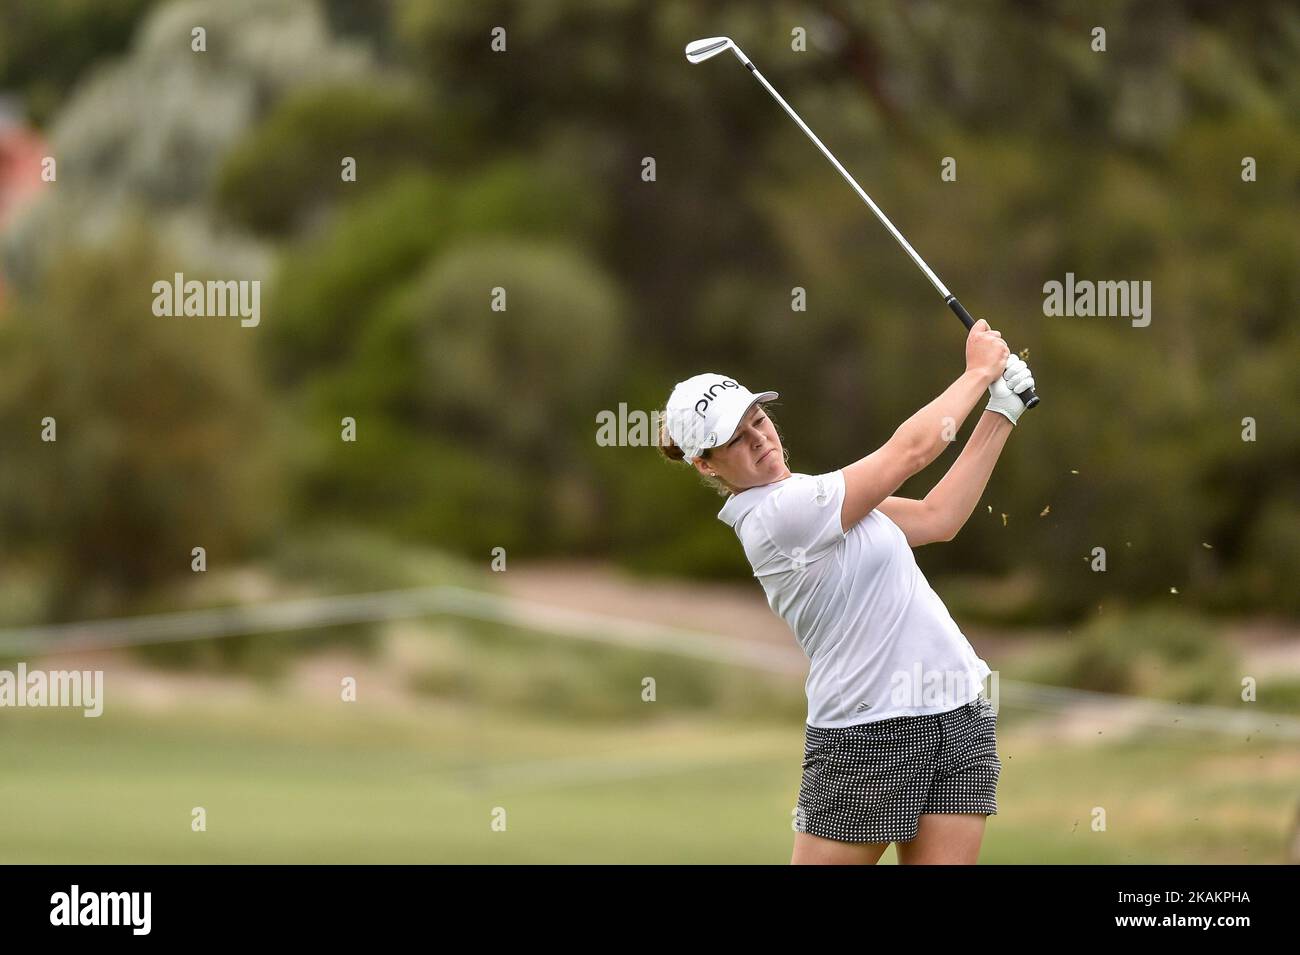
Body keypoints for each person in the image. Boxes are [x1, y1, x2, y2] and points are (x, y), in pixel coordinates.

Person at [657, 319, 1035, 864]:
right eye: (735, 439)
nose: (760, 439)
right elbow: (909, 453)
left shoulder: (814, 496)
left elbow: (937, 517)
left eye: (758, 420)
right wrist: (978, 373)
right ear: (705, 463)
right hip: (866, 735)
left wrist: (1003, 410)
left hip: (956, 708)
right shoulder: (779, 518)